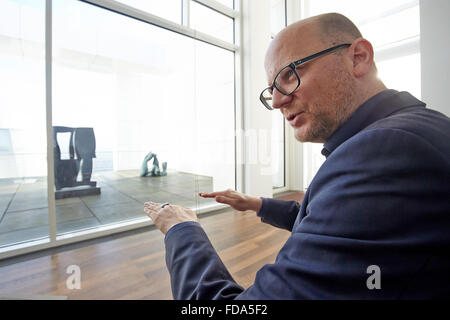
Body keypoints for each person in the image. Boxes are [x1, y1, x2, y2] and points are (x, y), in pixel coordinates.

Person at [144, 13, 450, 299]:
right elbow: (335, 224)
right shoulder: (411, 130)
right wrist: (258, 203)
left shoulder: (386, 151)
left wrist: (181, 229)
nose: (277, 101)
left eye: (290, 74)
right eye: (271, 89)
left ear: (358, 57)